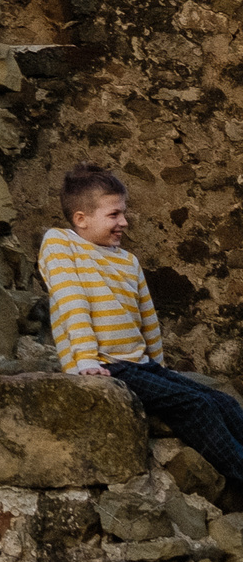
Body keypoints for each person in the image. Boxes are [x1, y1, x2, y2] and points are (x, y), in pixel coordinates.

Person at [39, 162, 243, 484]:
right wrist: (86, 360)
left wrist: (160, 367)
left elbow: (147, 316)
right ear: (81, 219)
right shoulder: (61, 244)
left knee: (225, 402)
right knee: (197, 405)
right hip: (107, 364)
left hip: (141, 365)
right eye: (114, 214)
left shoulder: (127, 260)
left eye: (124, 213)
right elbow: (71, 302)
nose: (124, 221)